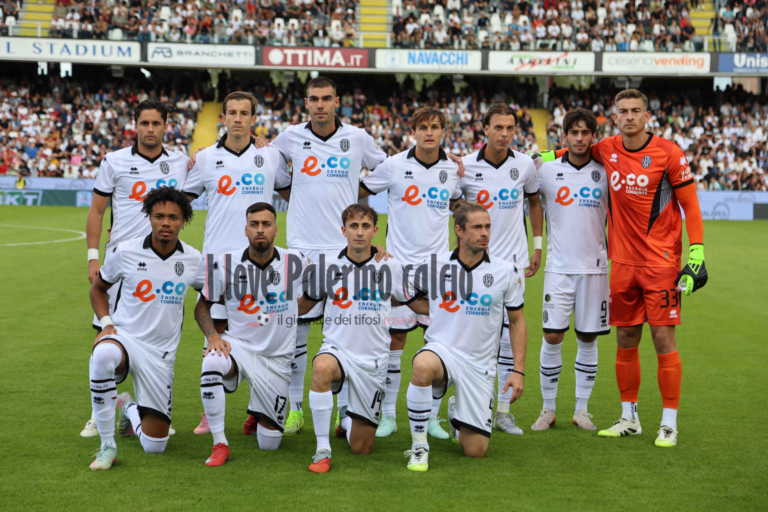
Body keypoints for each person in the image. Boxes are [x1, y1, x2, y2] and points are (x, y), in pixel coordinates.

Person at [540, 89, 708, 447]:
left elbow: (690, 206)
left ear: (647, 116)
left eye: (636, 110)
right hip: (621, 265)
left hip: (661, 264)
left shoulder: (669, 154)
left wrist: (696, 256)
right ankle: (629, 417)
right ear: (614, 118)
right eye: (623, 111)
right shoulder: (606, 148)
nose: (629, 116)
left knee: (663, 339)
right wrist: (521, 160)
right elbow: (566, 153)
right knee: (625, 339)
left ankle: (668, 422)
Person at [182, 92, 292, 437]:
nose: (238, 118)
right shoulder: (205, 159)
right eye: (232, 112)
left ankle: (259, 407)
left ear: (253, 118)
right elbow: (182, 201)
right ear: (224, 118)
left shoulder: (270, 156)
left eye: (245, 113)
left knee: (262, 330)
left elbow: (293, 193)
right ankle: (209, 412)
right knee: (214, 336)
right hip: (218, 260)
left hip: (262, 260)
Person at [82, 100, 192, 438]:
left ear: (165, 126)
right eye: (144, 122)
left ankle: (144, 409)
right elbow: (98, 212)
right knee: (107, 334)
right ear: (135, 124)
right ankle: (96, 412)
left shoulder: (179, 161)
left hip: (161, 261)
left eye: (156, 123)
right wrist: (92, 256)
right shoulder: (114, 161)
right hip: (121, 259)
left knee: (152, 334)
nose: (149, 129)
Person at [359, 107, 462, 440]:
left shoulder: (453, 169)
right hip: (398, 268)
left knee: (440, 344)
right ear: (412, 132)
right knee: (395, 342)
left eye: (435, 127)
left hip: (438, 270)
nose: (429, 132)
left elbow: (459, 206)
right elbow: (357, 193)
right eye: (423, 127)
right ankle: (388, 415)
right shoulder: (393, 166)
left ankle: (432, 417)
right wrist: (369, 241)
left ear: (443, 132)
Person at [403, 201, 527, 471]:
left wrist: (518, 370)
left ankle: (455, 411)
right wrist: (433, 307)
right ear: (459, 230)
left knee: (475, 451)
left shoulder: (506, 271)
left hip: (480, 366)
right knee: (422, 365)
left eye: (487, 227)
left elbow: (517, 321)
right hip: (442, 350)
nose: (484, 233)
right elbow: (410, 292)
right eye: (477, 227)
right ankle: (419, 446)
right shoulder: (434, 265)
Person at [87, 187, 202, 471]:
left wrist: (214, 333)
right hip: (125, 339)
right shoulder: (125, 251)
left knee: (155, 446)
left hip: (161, 356)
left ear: (182, 220)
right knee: (102, 356)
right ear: (149, 217)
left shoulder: (194, 259)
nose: (165, 222)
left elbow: (210, 298)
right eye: (159, 215)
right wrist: (107, 325)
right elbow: (98, 289)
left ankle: (126, 407)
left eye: (173, 217)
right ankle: (106, 445)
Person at [194, 202, 315, 466]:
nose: (260, 229)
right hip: (240, 348)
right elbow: (202, 304)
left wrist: (375, 251)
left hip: (278, 359)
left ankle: (257, 414)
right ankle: (220, 443)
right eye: (254, 224)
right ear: (246, 230)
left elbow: (329, 277)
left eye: (266, 224)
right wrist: (214, 337)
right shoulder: (226, 262)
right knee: (212, 360)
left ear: (276, 230)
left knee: (269, 445)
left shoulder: (296, 261)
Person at [302, 204, 417, 473]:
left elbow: (413, 301)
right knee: (321, 367)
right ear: (343, 230)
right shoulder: (328, 267)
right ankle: (322, 449)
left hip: (373, 363)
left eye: (366, 226)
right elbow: (305, 304)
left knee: (361, 448)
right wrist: (268, 313)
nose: (359, 232)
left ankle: (346, 419)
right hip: (337, 350)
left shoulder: (391, 266)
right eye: (353, 226)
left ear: (375, 231)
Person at [457, 104, 543, 435]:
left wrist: (537, 245)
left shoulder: (523, 165)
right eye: (498, 127)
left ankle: (504, 411)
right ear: (485, 129)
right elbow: (455, 208)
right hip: (475, 265)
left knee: (509, 338)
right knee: (475, 336)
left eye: (510, 128)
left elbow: (534, 202)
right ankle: (468, 404)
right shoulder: (466, 166)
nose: (504, 133)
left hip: (513, 264)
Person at [532, 108, 608, 432]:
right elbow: (529, 194)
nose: (579, 138)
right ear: (564, 137)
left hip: (595, 269)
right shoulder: (546, 170)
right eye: (573, 133)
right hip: (559, 268)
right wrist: (536, 246)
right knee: (552, 336)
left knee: (588, 338)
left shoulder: (605, 172)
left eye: (585, 133)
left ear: (594, 136)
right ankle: (547, 409)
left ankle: (581, 409)